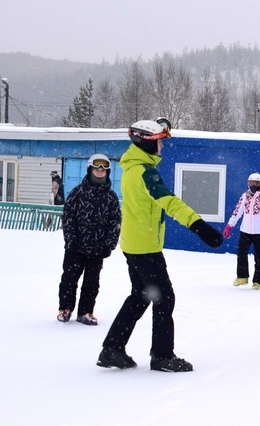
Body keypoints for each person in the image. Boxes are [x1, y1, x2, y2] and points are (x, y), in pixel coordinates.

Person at [97, 118, 223, 372]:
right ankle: (162, 356)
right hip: (145, 246)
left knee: (141, 296)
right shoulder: (145, 171)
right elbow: (169, 201)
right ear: (147, 143)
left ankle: (112, 349)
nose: (162, 147)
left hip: (134, 243)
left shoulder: (132, 167)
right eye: (159, 142)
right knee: (164, 298)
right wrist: (199, 225)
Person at [56, 154, 121, 325]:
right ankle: (65, 309)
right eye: (96, 169)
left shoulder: (111, 197)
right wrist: (70, 240)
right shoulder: (78, 192)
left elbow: (115, 222)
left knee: (92, 283)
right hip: (75, 247)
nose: (100, 172)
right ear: (90, 170)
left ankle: (85, 312)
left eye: (103, 169)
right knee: (69, 279)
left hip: (97, 249)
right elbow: (68, 217)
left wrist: (109, 245)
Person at [223, 173, 260, 290]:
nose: (254, 185)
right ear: (248, 183)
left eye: (256, 183)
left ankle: (258, 281)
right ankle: (242, 277)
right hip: (245, 231)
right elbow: (237, 212)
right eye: (251, 183)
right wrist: (229, 225)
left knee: (259, 257)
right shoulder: (244, 197)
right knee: (241, 253)